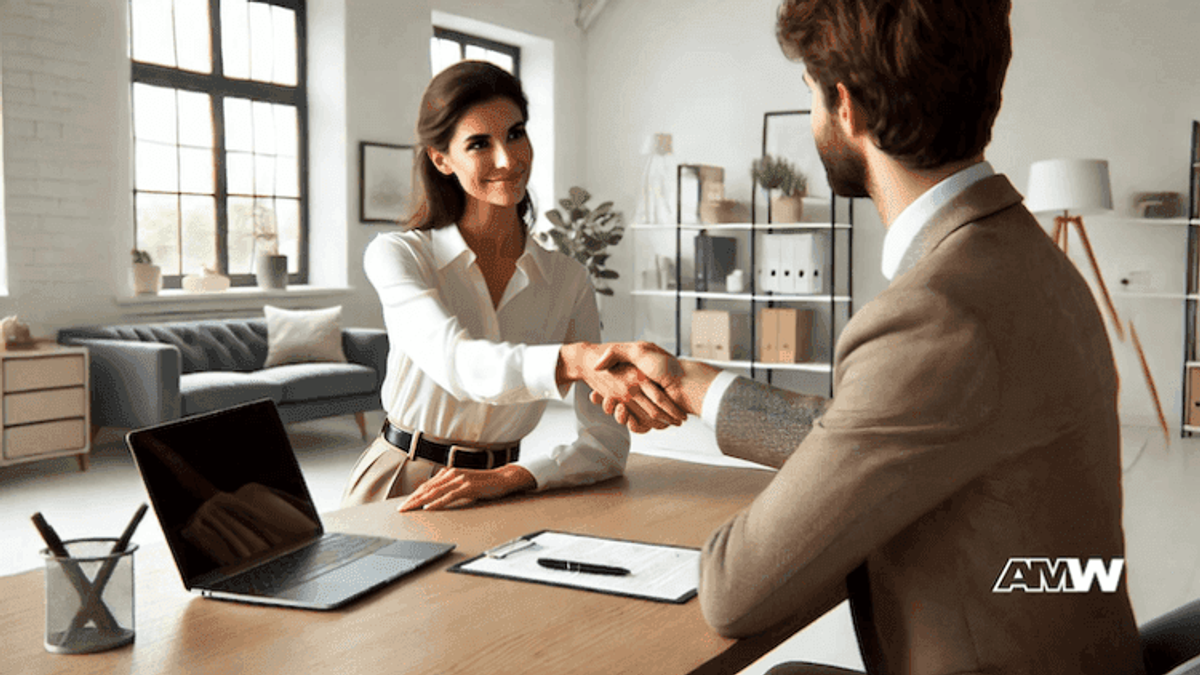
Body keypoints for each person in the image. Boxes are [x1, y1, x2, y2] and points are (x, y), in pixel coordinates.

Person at [592, 1, 1145, 673]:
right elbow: (883, 428)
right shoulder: (1030, 258)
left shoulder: (938, 311)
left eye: (810, 94)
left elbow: (732, 590)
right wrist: (694, 384)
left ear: (846, 107)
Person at [342, 61, 684, 512]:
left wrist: (517, 476)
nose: (507, 159)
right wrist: (575, 360)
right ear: (441, 159)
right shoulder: (399, 255)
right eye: (480, 143)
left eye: (516, 133)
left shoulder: (568, 280)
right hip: (399, 480)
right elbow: (457, 363)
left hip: (501, 491)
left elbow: (605, 443)